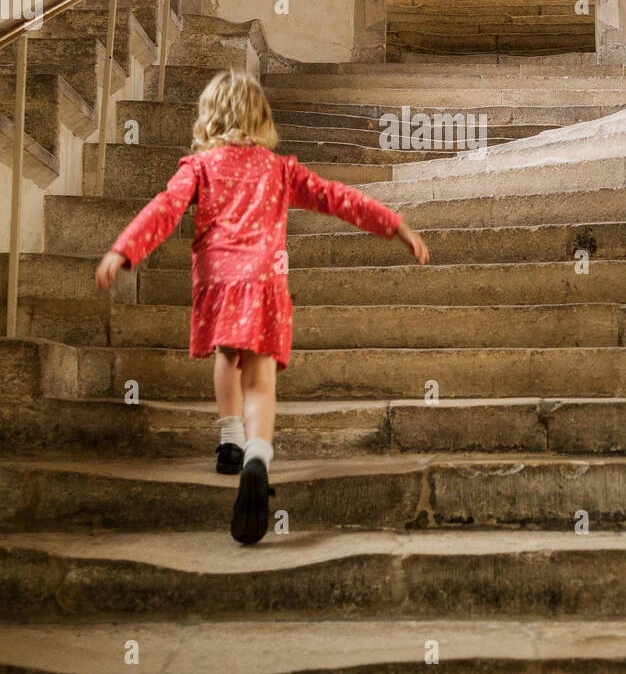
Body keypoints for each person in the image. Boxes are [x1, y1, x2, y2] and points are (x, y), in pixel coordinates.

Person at [95, 70, 430, 545]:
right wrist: (394, 224)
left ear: (209, 118)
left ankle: (229, 440)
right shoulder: (281, 170)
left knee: (227, 356)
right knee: (260, 379)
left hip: (218, 282)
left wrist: (123, 250)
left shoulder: (198, 167)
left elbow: (164, 210)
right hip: (266, 285)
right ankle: (257, 455)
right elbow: (337, 198)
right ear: (262, 119)